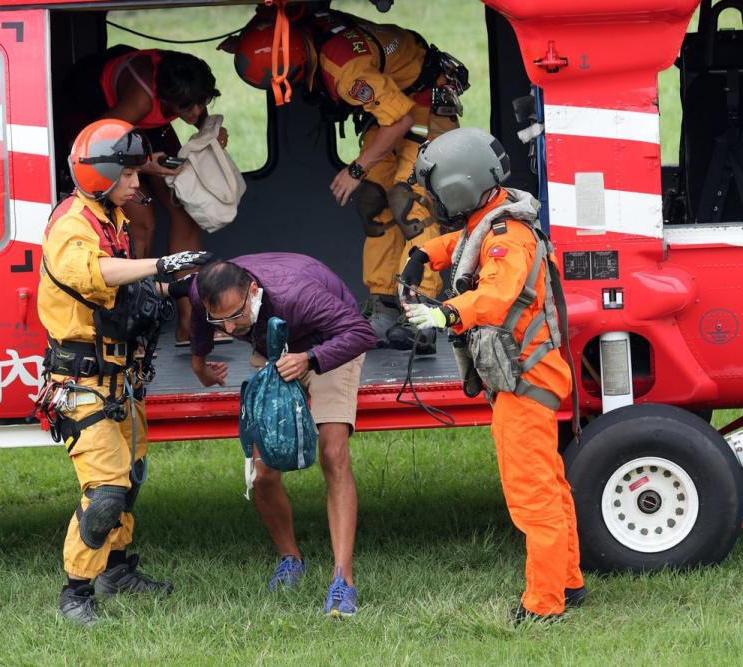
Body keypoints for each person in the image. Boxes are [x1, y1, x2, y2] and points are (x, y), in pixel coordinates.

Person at [399, 127, 586, 624]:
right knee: (550, 486)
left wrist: (445, 313)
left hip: (524, 382)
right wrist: (424, 255)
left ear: (459, 187)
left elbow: (496, 297)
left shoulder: (508, 239)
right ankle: (569, 581)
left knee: (532, 496)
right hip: (532, 376)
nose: (436, 200)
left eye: (438, 191)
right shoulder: (496, 218)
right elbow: (465, 242)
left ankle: (544, 604)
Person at [37, 118, 212, 626]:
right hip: (82, 384)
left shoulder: (108, 218)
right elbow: (98, 274)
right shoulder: (73, 225)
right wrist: (161, 264)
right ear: (104, 174)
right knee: (106, 492)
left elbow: (123, 293)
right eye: (132, 173)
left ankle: (116, 570)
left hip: (121, 380)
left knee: (129, 481)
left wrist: (179, 286)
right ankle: (76, 593)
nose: (139, 182)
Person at [231, 7, 468, 348]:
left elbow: (400, 121)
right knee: (374, 200)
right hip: (394, 103)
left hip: (424, 105)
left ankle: (422, 314)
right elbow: (272, 20)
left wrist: (356, 169)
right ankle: (385, 305)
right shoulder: (297, 26)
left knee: (410, 201)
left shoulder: (346, 72)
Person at [186, 254, 377, 617]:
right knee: (263, 468)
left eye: (234, 316)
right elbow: (199, 319)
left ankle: (343, 579)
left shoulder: (298, 296)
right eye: (219, 320)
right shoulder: (203, 291)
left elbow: (362, 333)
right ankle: (291, 558)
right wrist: (200, 366)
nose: (227, 329)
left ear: (254, 291)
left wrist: (310, 358)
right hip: (275, 347)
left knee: (333, 453)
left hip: (329, 344)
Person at [62, 46, 227, 344]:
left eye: (202, 102)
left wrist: (208, 130)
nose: (196, 112)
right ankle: (127, 327)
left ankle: (189, 322)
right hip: (98, 129)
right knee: (142, 222)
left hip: (146, 125)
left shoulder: (182, 78)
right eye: (188, 107)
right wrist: (146, 165)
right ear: (165, 99)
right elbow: (101, 145)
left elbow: (194, 107)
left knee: (184, 208)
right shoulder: (140, 98)